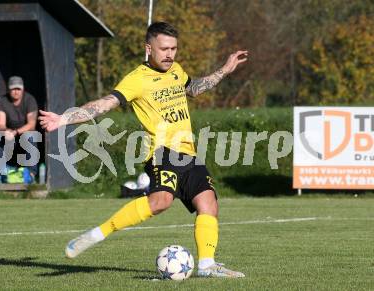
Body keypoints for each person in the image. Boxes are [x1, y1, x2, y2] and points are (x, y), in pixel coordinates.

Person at [39, 22, 248, 278]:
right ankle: (97, 234)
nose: (170, 54)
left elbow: (193, 88)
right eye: (164, 49)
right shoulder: (137, 79)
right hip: (162, 153)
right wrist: (64, 119)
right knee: (160, 202)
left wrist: (224, 70)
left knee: (209, 204)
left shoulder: (176, 70)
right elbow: (104, 104)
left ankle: (206, 265)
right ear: (149, 48)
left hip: (189, 153)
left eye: (174, 48)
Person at [0, 76, 38, 183]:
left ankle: (31, 174)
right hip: (9, 133)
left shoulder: (30, 100)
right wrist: (7, 132)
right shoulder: (2, 101)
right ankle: (1, 174)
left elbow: (31, 124)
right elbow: (0, 124)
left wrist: (16, 132)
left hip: (24, 133)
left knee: (30, 136)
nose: (16, 92)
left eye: (18, 89)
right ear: (9, 90)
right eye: (13, 89)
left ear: (22, 89)